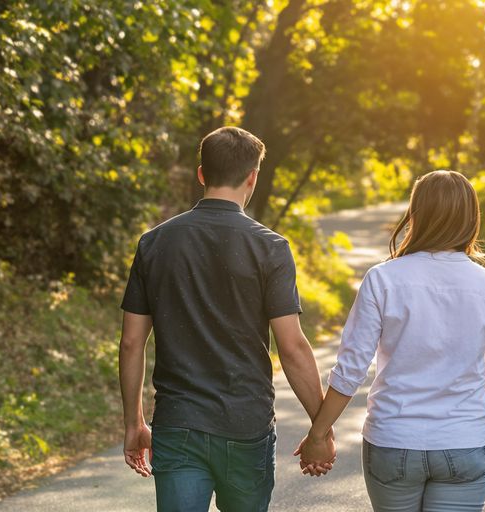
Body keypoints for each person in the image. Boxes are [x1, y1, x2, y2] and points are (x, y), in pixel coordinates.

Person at [118, 126, 330, 512]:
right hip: (245, 424)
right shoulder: (270, 247)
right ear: (252, 176)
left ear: (201, 174)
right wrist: (321, 427)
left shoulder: (154, 242)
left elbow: (132, 341)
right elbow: (293, 347)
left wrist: (134, 422)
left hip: (177, 421)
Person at [296, 170, 485, 511]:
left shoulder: (383, 279)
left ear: (415, 215)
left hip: (394, 442)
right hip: (464, 444)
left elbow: (351, 369)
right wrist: (458, 416)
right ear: (472, 219)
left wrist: (319, 434)